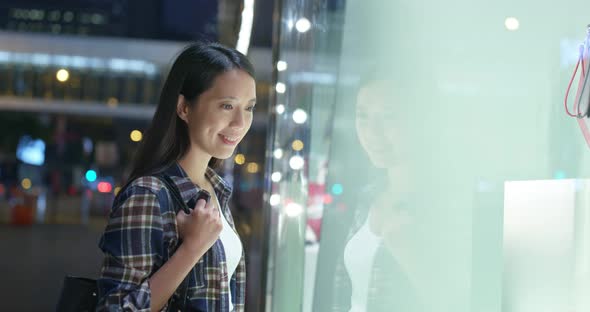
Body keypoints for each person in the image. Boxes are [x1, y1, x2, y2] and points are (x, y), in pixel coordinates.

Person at [95, 41, 256, 312]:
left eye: (249, 108)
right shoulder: (149, 194)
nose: (240, 123)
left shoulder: (216, 190)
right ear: (184, 108)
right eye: (227, 106)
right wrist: (191, 249)